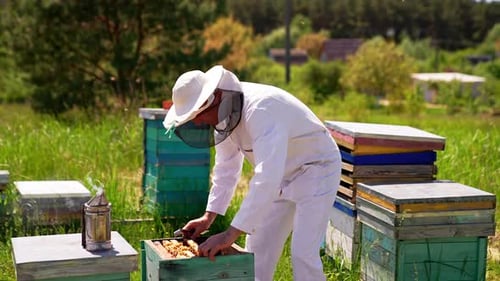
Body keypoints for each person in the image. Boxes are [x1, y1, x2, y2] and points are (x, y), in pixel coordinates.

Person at [162, 65, 341, 281]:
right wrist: (209, 217)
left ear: (215, 97)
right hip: (280, 176)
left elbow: (267, 176)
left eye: (198, 114)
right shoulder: (224, 116)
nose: (198, 122)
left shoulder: (262, 109)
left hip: (316, 168)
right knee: (258, 247)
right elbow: (226, 168)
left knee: (303, 253)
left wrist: (229, 235)